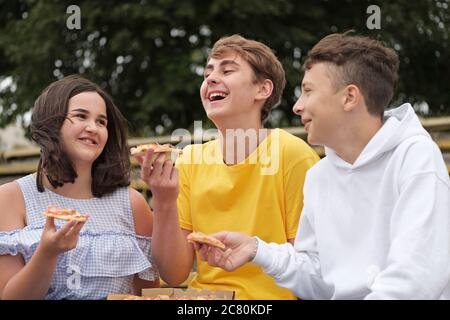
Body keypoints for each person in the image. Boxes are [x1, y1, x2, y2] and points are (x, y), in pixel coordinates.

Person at [198, 32, 450, 299]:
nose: (297, 106)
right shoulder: (320, 175)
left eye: (308, 91)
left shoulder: (415, 158)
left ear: (349, 97)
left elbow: (417, 277)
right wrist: (256, 249)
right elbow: (319, 278)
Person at [138, 35, 319, 299]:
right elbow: (173, 273)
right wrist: (164, 201)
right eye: (207, 72)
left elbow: (309, 269)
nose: (210, 79)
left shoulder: (293, 155)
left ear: (262, 90)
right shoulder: (189, 159)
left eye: (227, 70)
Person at [0, 75, 159, 300]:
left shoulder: (133, 203)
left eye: (101, 122)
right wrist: (47, 253)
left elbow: (149, 294)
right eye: (80, 116)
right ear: (52, 124)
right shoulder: (10, 198)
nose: (93, 128)